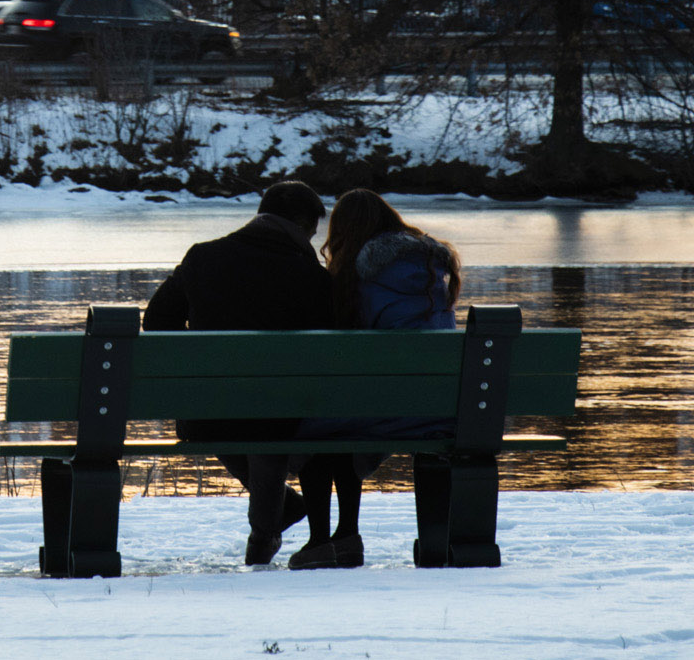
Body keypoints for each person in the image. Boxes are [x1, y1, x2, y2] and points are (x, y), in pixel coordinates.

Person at [142, 180, 331, 564]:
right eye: (312, 230)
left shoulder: (203, 258)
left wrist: (200, 364)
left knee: (240, 415)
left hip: (206, 417)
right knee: (268, 420)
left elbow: (158, 320)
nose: (312, 239)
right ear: (299, 223)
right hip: (285, 415)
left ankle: (271, 525)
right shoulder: (311, 275)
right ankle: (265, 533)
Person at [289, 188, 461, 570]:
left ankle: (322, 540)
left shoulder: (361, 276)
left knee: (315, 427)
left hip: (393, 405)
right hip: (443, 406)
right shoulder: (432, 268)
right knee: (342, 419)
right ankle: (347, 535)